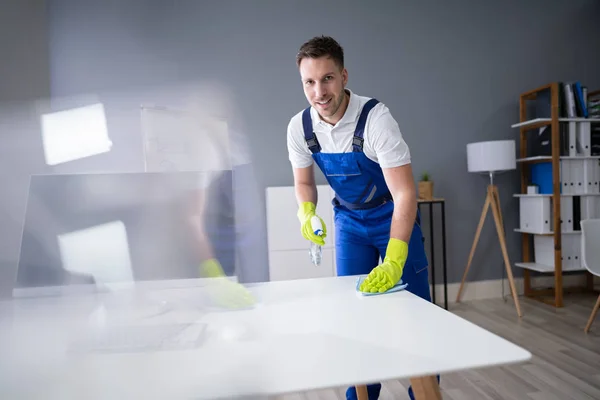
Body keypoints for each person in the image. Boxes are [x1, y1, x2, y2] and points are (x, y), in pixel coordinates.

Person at [286, 35, 437, 400]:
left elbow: (404, 194)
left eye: (328, 78)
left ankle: (426, 395)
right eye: (310, 81)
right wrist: (307, 212)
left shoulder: (376, 120)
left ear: (344, 76)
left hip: (392, 217)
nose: (319, 92)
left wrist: (396, 256)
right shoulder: (300, 129)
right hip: (350, 223)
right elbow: (304, 183)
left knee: (416, 320)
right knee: (355, 319)